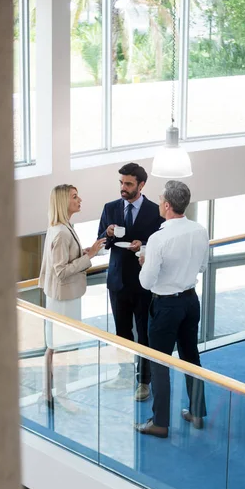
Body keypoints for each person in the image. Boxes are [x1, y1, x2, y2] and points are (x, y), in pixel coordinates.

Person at [135, 180, 209, 438]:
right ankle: (197, 413)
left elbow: (146, 282)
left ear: (167, 205)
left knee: (159, 363)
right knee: (192, 358)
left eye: (159, 199)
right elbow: (202, 268)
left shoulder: (158, 238)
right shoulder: (200, 230)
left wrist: (145, 261)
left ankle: (160, 423)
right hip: (190, 301)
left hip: (166, 306)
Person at [98, 163, 163, 401]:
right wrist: (108, 234)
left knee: (144, 335)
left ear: (141, 185)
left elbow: (159, 247)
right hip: (117, 282)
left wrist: (142, 246)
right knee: (121, 332)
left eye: (128, 184)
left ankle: (144, 381)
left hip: (143, 284)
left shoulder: (155, 212)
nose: (123, 188)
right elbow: (101, 241)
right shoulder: (110, 208)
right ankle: (124, 375)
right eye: (121, 183)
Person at [39, 184, 105, 412]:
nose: (80, 200)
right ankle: (61, 395)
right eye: (75, 197)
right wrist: (90, 257)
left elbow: (64, 262)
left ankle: (48, 392)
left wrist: (86, 252)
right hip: (64, 299)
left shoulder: (60, 227)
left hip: (61, 297)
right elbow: (61, 270)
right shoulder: (61, 232)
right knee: (62, 348)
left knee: (54, 346)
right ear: (63, 202)